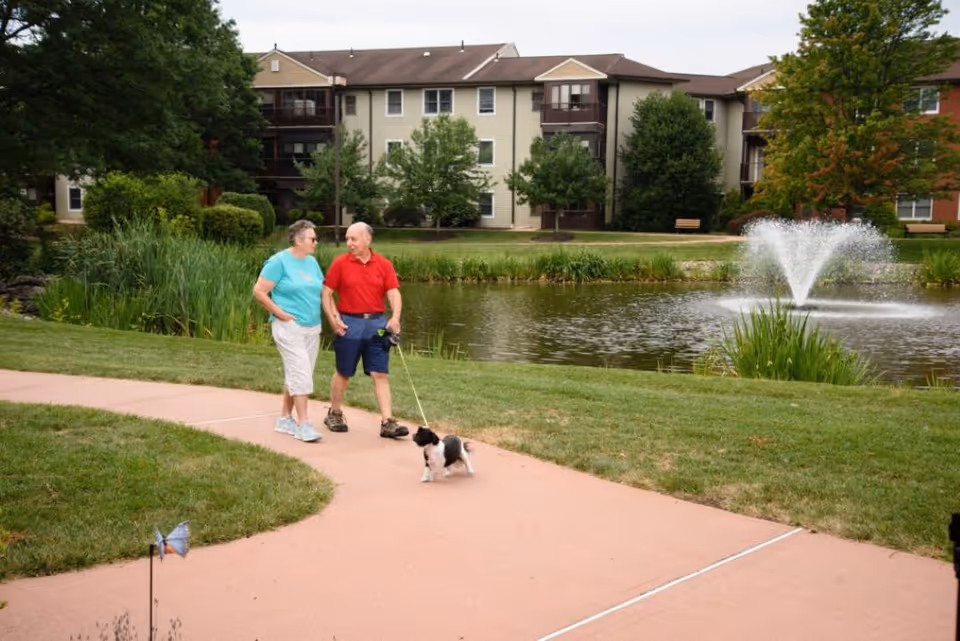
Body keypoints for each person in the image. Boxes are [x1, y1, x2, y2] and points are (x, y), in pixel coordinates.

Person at [321, 222, 409, 439]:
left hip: (377, 327)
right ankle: (334, 413)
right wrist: (334, 320)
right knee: (344, 372)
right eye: (347, 238)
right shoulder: (340, 264)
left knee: (380, 372)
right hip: (349, 324)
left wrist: (395, 317)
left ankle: (388, 422)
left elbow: (393, 293)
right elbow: (326, 293)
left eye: (353, 239)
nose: (348, 243)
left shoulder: (384, 264)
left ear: (367, 240)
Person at [253, 219, 324, 443]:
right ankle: (303, 424)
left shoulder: (312, 262)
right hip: (288, 327)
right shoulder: (278, 262)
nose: (316, 242)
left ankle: (284, 419)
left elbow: (320, 291)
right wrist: (280, 313)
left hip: (312, 327)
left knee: (298, 373)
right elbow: (259, 291)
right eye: (313, 238)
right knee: (300, 373)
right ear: (298, 239)